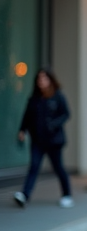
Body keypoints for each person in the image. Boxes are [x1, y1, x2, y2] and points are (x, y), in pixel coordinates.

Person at [14, 68, 74, 208]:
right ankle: (25, 195)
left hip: (54, 140)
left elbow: (66, 114)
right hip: (38, 140)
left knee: (58, 167)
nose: (42, 81)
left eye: (44, 78)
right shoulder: (34, 98)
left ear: (50, 80)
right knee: (34, 166)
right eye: (39, 79)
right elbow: (27, 116)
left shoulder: (58, 96)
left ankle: (67, 194)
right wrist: (22, 130)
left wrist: (54, 124)